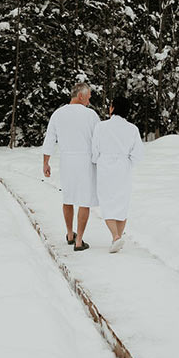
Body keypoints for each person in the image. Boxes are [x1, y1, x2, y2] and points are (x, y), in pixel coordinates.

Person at [42, 82, 99, 251]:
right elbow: (99, 139)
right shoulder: (91, 115)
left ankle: (69, 234)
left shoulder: (58, 114)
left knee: (68, 198)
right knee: (84, 200)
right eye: (88, 97)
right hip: (86, 161)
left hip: (66, 161)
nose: (89, 100)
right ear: (80, 96)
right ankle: (79, 240)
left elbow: (50, 139)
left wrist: (46, 162)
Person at [91, 95, 144, 253]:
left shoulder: (101, 127)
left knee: (107, 202)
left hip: (105, 167)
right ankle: (118, 238)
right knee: (122, 202)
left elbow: (95, 150)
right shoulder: (132, 129)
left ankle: (115, 237)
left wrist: (97, 160)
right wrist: (127, 163)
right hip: (123, 167)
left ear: (113, 108)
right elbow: (138, 153)